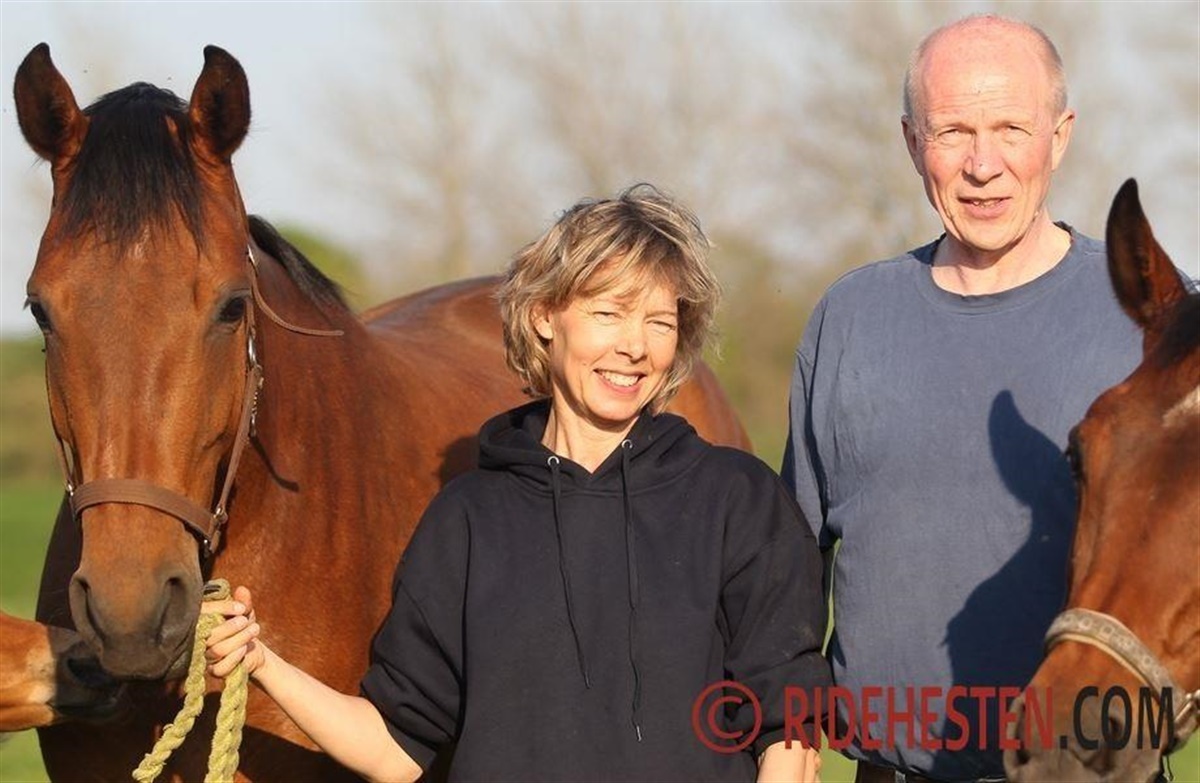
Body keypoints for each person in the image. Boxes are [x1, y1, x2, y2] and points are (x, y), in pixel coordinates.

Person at [208, 184, 831, 782]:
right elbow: (395, 748)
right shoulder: (467, 518)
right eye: (609, 313)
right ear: (544, 317)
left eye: (660, 323)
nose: (635, 347)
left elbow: (790, 730)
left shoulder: (738, 500)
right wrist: (263, 663)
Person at [781, 15, 1147, 783]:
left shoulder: (1150, 322)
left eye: (1012, 128)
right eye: (953, 132)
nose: (984, 165)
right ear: (913, 142)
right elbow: (787, 566)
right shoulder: (850, 318)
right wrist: (785, 729)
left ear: (1060, 136)